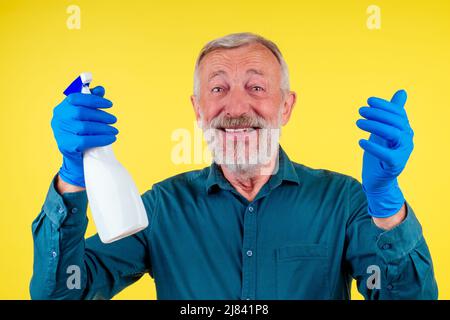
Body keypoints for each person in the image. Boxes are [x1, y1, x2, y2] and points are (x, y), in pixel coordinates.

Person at [30, 32, 438, 300]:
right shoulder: (162, 209)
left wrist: (386, 208)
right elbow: (63, 293)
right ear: (198, 109)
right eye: (218, 88)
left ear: (286, 106)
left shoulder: (342, 202)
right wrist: (71, 180)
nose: (237, 108)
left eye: (257, 87)